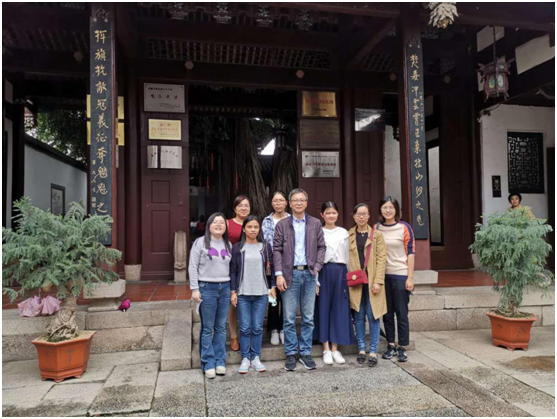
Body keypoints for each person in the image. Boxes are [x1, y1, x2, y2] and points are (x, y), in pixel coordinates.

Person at [273, 188, 326, 371]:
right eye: (295, 200)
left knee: (308, 317)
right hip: (290, 274)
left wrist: (317, 267)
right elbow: (277, 250)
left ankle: (305, 352)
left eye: (301, 200)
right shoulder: (282, 225)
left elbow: (321, 247)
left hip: (310, 274)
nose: (298, 203)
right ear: (290, 203)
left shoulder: (315, 223)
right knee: (288, 318)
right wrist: (279, 274)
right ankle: (290, 353)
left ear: (306, 202)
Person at [230, 215, 276, 374]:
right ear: (244, 229)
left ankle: (256, 357)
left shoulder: (266, 247)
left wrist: (272, 287)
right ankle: (245, 358)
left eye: (256, 227)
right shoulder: (237, 248)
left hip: (261, 293)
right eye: (249, 227)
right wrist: (233, 291)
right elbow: (233, 271)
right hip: (243, 293)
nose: (253, 230)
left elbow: (272, 269)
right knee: (245, 327)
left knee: (257, 327)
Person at [189, 213, 232, 379]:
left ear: (226, 227)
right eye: (215, 222)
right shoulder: (200, 242)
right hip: (207, 288)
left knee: (221, 326)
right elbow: (192, 266)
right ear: (209, 225)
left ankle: (220, 360)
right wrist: (195, 288)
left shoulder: (228, 244)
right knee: (207, 327)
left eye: (222, 222)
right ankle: (208, 362)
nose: (219, 225)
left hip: (225, 288)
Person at [314, 201, 355, 365]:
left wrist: (349, 277)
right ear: (322, 215)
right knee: (323, 308)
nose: (331, 215)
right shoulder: (318, 231)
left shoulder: (344, 233)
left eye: (333, 212)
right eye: (328, 213)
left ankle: (335, 348)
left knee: (339, 308)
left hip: (340, 272)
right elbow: (315, 257)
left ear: (337, 214)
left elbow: (348, 257)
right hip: (323, 271)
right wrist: (316, 280)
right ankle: (325, 348)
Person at [376, 196, 414, 363]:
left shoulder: (404, 227)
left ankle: (402, 346)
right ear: (380, 210)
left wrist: (410, 278)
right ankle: (390, 344)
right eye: (385, 207)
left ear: (396, 209)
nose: (388, 210)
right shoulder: (377, 228)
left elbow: (410, 253)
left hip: (400, 274)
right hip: (382, 276)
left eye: (391, 207)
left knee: (401, 313)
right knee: (387, 313)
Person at [348, 203, 387, 367]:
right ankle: (362, 349)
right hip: (356, 281)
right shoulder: (349, 234)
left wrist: (378, 281)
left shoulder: (377, 235)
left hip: (372, 282)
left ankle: (373, 351)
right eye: (359, 214)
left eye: (364, 214)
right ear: (354, 216)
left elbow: (381, 259)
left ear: (369, 216)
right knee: (358, 316)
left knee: (373, 315)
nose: (361, 217)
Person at [261, 191, 291, 346]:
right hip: (271, 264)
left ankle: (284, 328)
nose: (278, 203)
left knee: (287, 296)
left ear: (286, 202)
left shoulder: (292, 219)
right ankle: (273, 328)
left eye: (281, 200)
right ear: (271, 203)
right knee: (273, 297)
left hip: (289, 263)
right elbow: (265, 242)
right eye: (275, 201)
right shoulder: (266, 221)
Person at [227, 195, 251, 351]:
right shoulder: (227, 224)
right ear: (235, 208)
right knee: (233, 303)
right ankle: (234, 335)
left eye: (246, 205)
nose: (244, 208)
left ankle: (247, 334)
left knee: (247, 301)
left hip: (250, 267)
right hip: (232, 267)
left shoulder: (253, 223)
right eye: (240, 205)